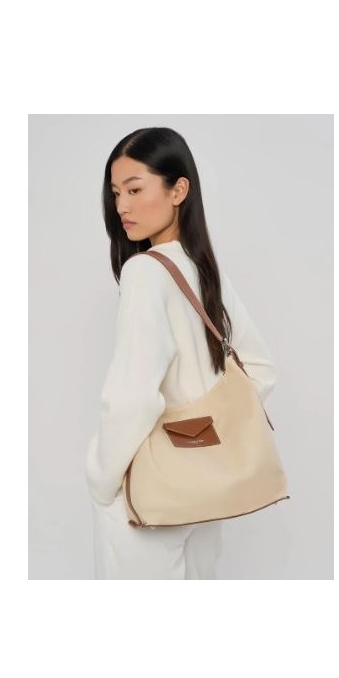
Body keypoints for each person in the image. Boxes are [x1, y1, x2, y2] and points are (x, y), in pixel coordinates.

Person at [84, 127, 277, 579]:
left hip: (148, 496)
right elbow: (261, 369)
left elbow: (132, 398)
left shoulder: (144, 272)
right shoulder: (203, 268)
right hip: (204, 492)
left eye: (135, 189)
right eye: (116, 193)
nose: (122, 206)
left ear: (178, 190)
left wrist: (101, 477)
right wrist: (204, 434)